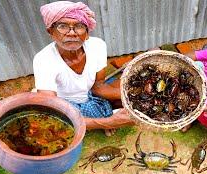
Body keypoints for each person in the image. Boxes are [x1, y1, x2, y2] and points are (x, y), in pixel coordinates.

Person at [33, 1, 135, 136]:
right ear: (50, 32)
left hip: (90, 94)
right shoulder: (43, 60)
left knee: (130, 94)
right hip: (65, 103)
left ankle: (102, 116)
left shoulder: (97, 46)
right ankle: (101, 119)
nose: (71, 33)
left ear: (87, 33)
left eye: (79, 26)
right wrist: (110, 122)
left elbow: (98, 87)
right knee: (56, 124)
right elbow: (52, 110)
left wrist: (133, 96)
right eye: (62, 26)